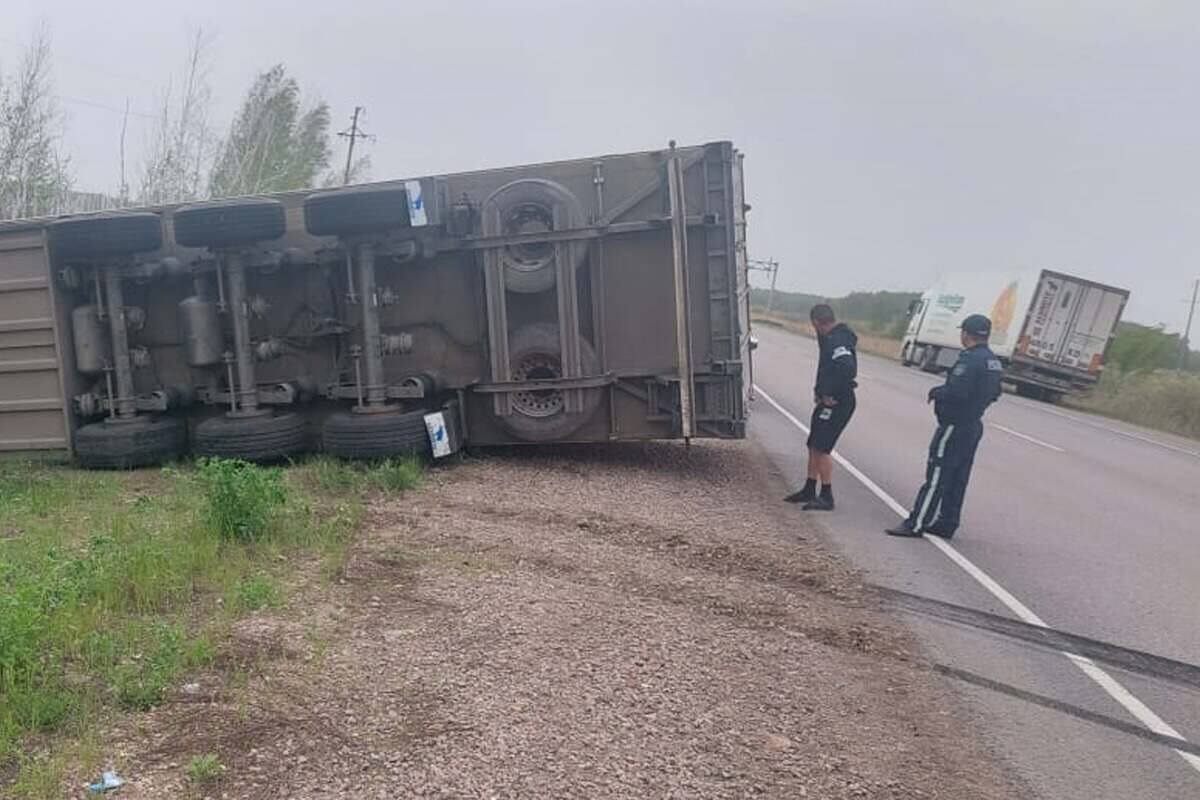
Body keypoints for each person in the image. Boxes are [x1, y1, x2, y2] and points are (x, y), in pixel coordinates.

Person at [886, 314, 1003, 539]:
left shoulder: (970, 360)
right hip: (973, 424)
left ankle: (916, 523)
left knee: (938, 473)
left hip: (955, 425)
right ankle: (947, 522)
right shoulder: (993, 362)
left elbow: (958, 391)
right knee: (959, 476)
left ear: (967, 334)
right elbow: (996, 393)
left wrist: (936, 393)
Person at [784, 304, 858, 510]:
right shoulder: (829, 338)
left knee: (822, 447)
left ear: (816, 322)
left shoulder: (838, 340)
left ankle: (827, 496)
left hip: (838, 403)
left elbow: (847, 368)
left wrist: (829, 393)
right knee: (813, 444)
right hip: (828, 401)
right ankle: (809, 488)